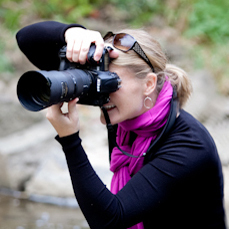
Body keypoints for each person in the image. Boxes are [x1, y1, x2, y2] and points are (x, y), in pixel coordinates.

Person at [16, 21, 226, 229]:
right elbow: (26, 38)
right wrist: (73, 33)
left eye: (111, 82)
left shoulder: (189, 146)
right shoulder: (128, 121)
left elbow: (110, 219)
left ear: (149, 84)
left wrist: (70, 141)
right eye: (99, 80)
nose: (103, 94)